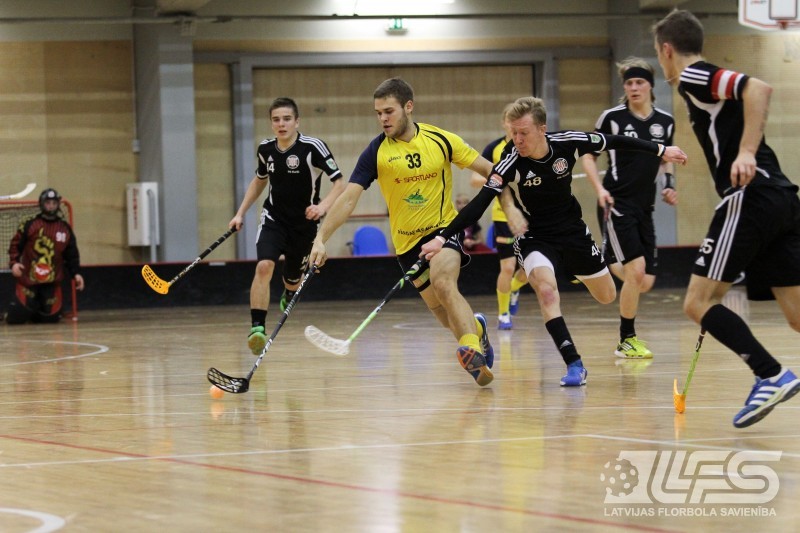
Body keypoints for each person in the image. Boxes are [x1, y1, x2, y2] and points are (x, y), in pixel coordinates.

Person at [421, 96, 687, 386]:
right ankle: (574, 364)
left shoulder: (567, 142)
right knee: (547, 293)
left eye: (524, 133)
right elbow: (480, 202)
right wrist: (442, 237)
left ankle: (571, 270)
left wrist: (661, 149)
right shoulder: (510, 160)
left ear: (542, 129)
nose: (517, 140)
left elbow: (613, 141)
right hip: (535, 236)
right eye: (514, 133)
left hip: (573, 232)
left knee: (607, 295)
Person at [653, 9, 800, 427]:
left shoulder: (694, 76)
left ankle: (770, 374)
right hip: (780, 197)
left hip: (751, 197)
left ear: (666, 50)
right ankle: (770, 374)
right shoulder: (697, 84)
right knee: (797, 316)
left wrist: (747, 152)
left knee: (697, 302)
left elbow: (758, 88)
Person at [308, 77, 496, 387]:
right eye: (378, 113)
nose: (383, 119)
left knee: (444, 283)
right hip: (407, 245)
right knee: (443, 314)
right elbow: (349, 198)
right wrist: (320, 239)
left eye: (389, 111)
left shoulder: (441, 139)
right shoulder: (376, 152)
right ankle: (476, 330)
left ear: (408, 107)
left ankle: (471, 351)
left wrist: (509, 199)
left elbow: (489, 170)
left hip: (443, 231)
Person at [230, 97, 346, 355]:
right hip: (274, 219)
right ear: (271, 123)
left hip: (304, 225)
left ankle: (289, 290)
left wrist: (322, 207)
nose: (281, 124)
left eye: (286, 119)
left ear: (297, 122)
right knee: (264, 266)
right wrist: (240, 213)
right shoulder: (266, 149)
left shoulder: (312, 147)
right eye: (276, 120)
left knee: (293, 280)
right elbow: (260, 180)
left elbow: (339, 182)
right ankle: (257, 328)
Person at [581, 57, 678, 359]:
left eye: (639, 82)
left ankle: (601, 261)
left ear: (650, 85)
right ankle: (626, 340)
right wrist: (599, 190)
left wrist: (669, 185)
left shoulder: (665, 122)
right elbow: (588, 155)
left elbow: (666, 159)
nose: (634, 88)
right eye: (629, 83)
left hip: (644, 206)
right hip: (616, 202)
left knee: (645, 281)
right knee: (635, 272)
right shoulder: (612, 118)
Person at [470, 104, 529, 330]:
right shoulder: (494, 148)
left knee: (528, 270)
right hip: (503, 216)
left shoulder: (529, 145)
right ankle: (503, 314)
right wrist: (498, 174)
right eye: (509, 121)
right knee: (507, 267)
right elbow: (475, 179)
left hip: (530, 215)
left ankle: (513, 289)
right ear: (504, 123)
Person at [5, 188, 84, 324]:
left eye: (54, 203)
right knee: (16, 319)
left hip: (51, 283)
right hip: (28, 281)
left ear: (58, 204)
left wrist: (76, 273)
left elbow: (71, 254)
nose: (51, 206)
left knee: (50, 319)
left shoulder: (64, 228)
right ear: (42, 204)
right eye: (48, 203)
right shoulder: (30, 224)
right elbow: (15, 245)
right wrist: (14, 263)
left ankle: (37, 312)